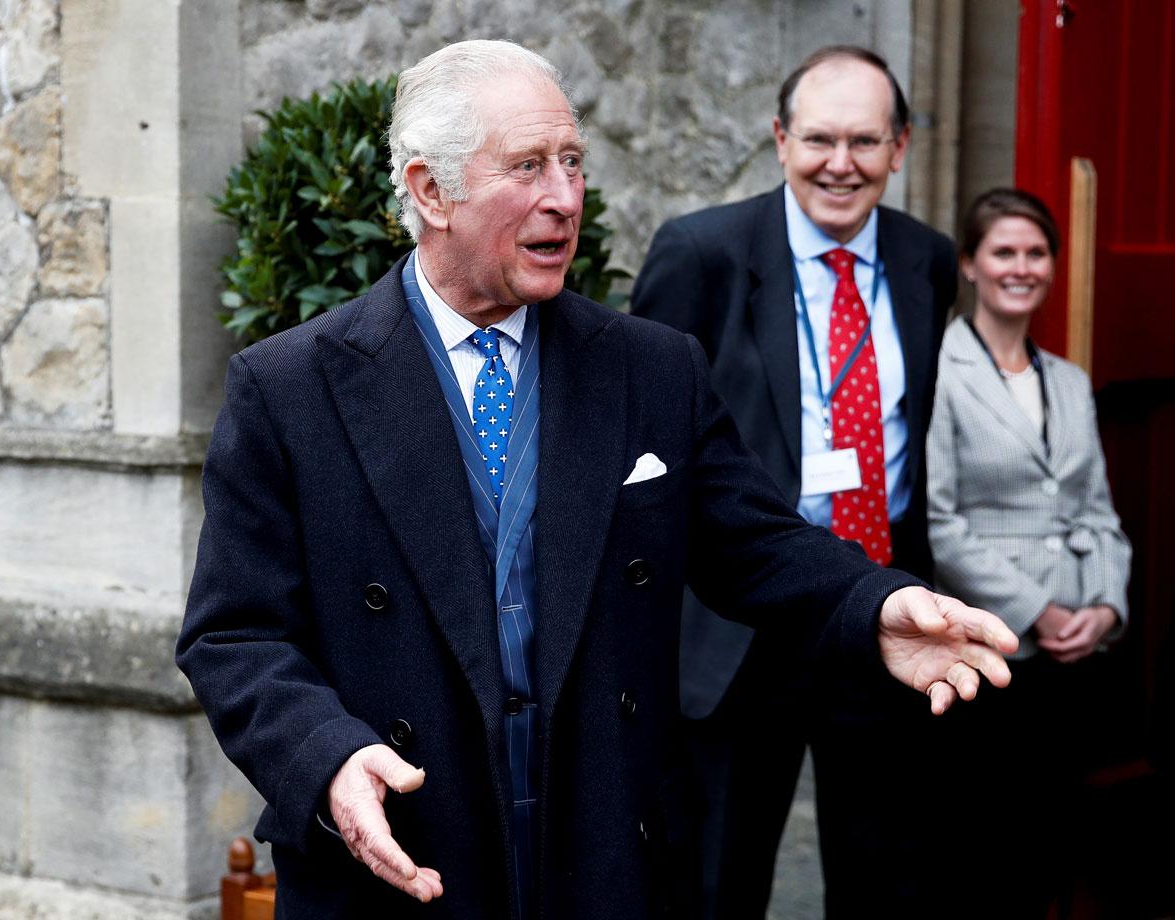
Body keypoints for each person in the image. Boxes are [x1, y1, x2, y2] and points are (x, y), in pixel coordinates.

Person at [177, 40, 1016, 920]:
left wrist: (874, 605)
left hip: (608, 852)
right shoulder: (290, 388)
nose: (566, 198)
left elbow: (753, 541)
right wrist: (329, 757)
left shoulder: (651, 369)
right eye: (530, 166)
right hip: (407, 854)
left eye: (573, 162)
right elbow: (235, 636)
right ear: (430, 192)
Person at [630, 45, 956, 917]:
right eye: (818, 139)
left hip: (878, 613)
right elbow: (642, 457)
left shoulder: (929, 261)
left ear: (900, 147)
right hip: (742, 628)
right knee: (714, 885)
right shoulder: (701, 254)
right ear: (779, 140)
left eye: (863, 141)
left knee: (882, 877)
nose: (839, 165)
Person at [928, 187, 1130, 917]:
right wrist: (1036, 610)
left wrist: (1105, 607)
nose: (1022, 267)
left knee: (1058, 843)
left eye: (1036, 252)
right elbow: (941, 522)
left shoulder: (1070, 382)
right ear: (971, 265)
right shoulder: (941, 373)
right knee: (986, 850)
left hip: (1078, 653)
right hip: (992, 645)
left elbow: (1098, 513)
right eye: (1004, 252)